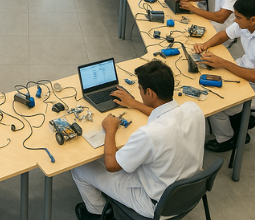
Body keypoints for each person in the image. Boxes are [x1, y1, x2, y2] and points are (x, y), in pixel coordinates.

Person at [72, 60, 204, 220]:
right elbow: (166, 114)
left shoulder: (149, 135)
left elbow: (111, 165)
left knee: (81, 168)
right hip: (189, 192)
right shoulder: (194, 110)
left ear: (150, 93)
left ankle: (97, 214)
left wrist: (110, 130)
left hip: (155, 204)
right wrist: (134, 104)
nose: (139, 93)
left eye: (140, 89)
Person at [194, 0, 255, 153]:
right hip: (242, 69)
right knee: (208, 77)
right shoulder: (245, 25)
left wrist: (224, 63)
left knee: (215, 103)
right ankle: (238, 123)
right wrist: (204, 45)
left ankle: (226, 139)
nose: (235, 20)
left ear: (253, 20)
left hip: (252, 84)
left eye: (238, 18)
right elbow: (224, 34)